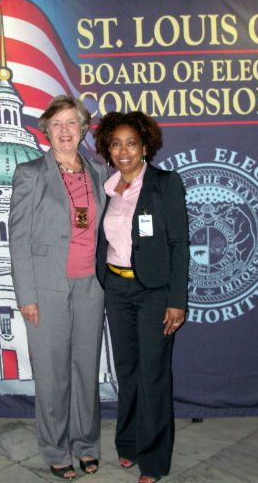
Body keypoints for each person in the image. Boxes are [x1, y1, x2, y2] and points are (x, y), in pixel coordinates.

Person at [9, 95, 108, 480]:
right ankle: (55, 448)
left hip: (91, 286)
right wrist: (27, 296)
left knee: (86, 370)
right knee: (53, 373)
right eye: (57, 124)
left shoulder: (100, 172)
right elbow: (17, 240)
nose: (65, 130)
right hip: (47, 289)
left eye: (72, 123)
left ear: (83, 129)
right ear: (46, 131)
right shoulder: (30, 173)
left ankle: (86, 444)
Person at [94, 111, 189, 483]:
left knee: (153, 375)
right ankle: (128, 443)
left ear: (146, 146)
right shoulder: (108, 185)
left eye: (131, 142)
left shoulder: (165, 184)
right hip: (116, 289)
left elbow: (179, 244)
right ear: (108, 149)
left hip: (153, 292)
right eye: (116, 143)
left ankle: (154, 460)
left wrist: (176, 299)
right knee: (127, 371)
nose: (124, 150)